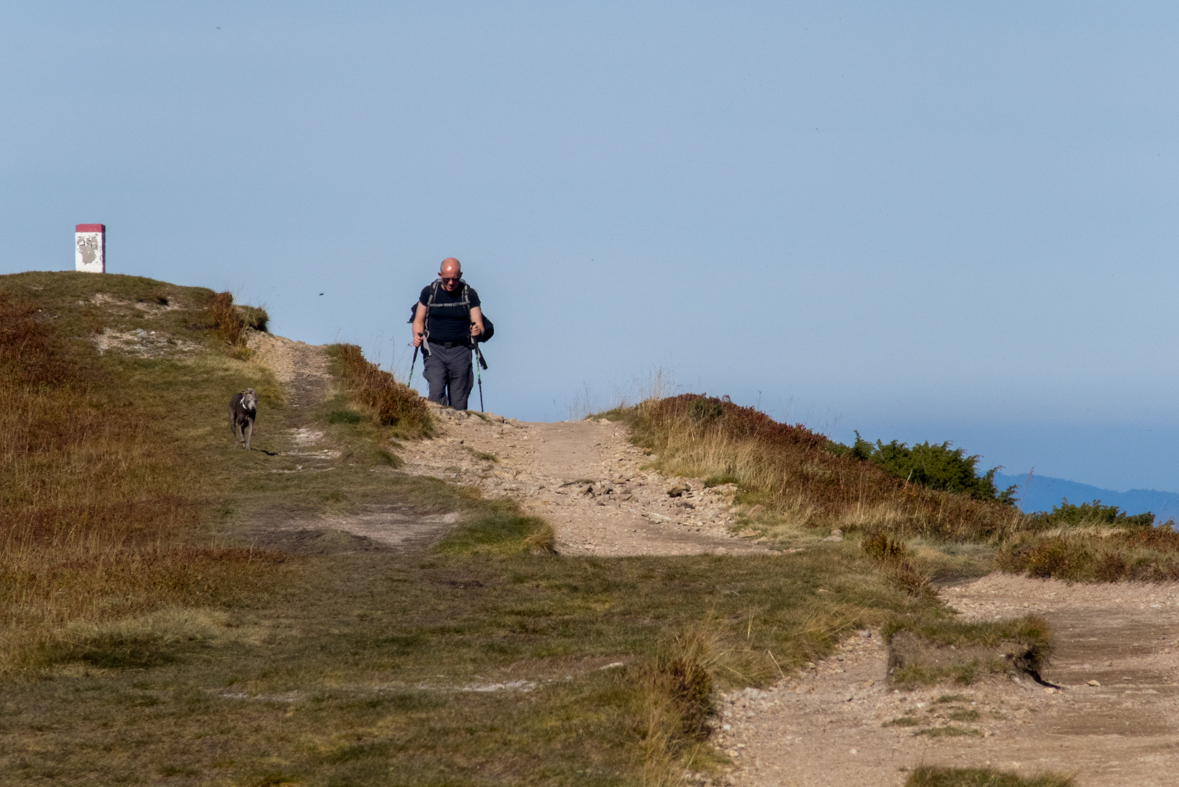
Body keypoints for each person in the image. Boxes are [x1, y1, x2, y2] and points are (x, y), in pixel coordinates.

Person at [412, 257, 484, 410]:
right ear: (440, 275)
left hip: (461, 351)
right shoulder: (429, 293)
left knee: (459, 402)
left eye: (455, 279)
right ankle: (437, 431)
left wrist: (477, 330)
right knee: (436, 394)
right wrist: (417, 336)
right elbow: (418, 320)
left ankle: (459, 430)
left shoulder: (469, 295)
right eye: (446, 279)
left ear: (460, 275)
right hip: (434, 350)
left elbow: (478, 323)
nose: (451, 283)